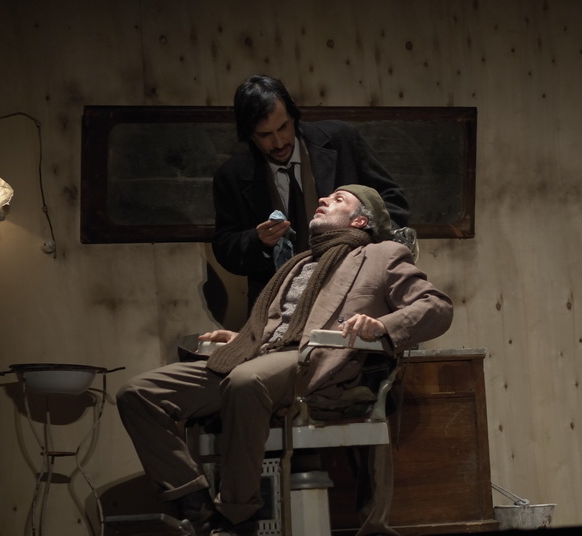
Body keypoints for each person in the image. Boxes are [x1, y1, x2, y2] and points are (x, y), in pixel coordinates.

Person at [117, 185, 452, 536]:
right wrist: (241, 338)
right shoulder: (299, 262)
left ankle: (236, 517)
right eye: (327, 197)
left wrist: (381, 325)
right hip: (259, 356)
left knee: (246, 381)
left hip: (316, 361)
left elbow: (436, 307)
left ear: (360, 220)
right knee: (138, 394)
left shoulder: (382, 254)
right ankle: (196, 507)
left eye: (338, 199)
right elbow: (282, 324)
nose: (323, 200)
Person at [212, 74, 410, 309]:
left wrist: (362, 240)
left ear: (293, 116)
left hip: (354, 293)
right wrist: (258, 241)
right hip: (279, 305)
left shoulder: (341, 140)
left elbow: (392, 200)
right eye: (265, 135)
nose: (279, 142)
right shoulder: (232, 176)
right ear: (249, 134)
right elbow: (225, 247)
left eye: (283, 127)